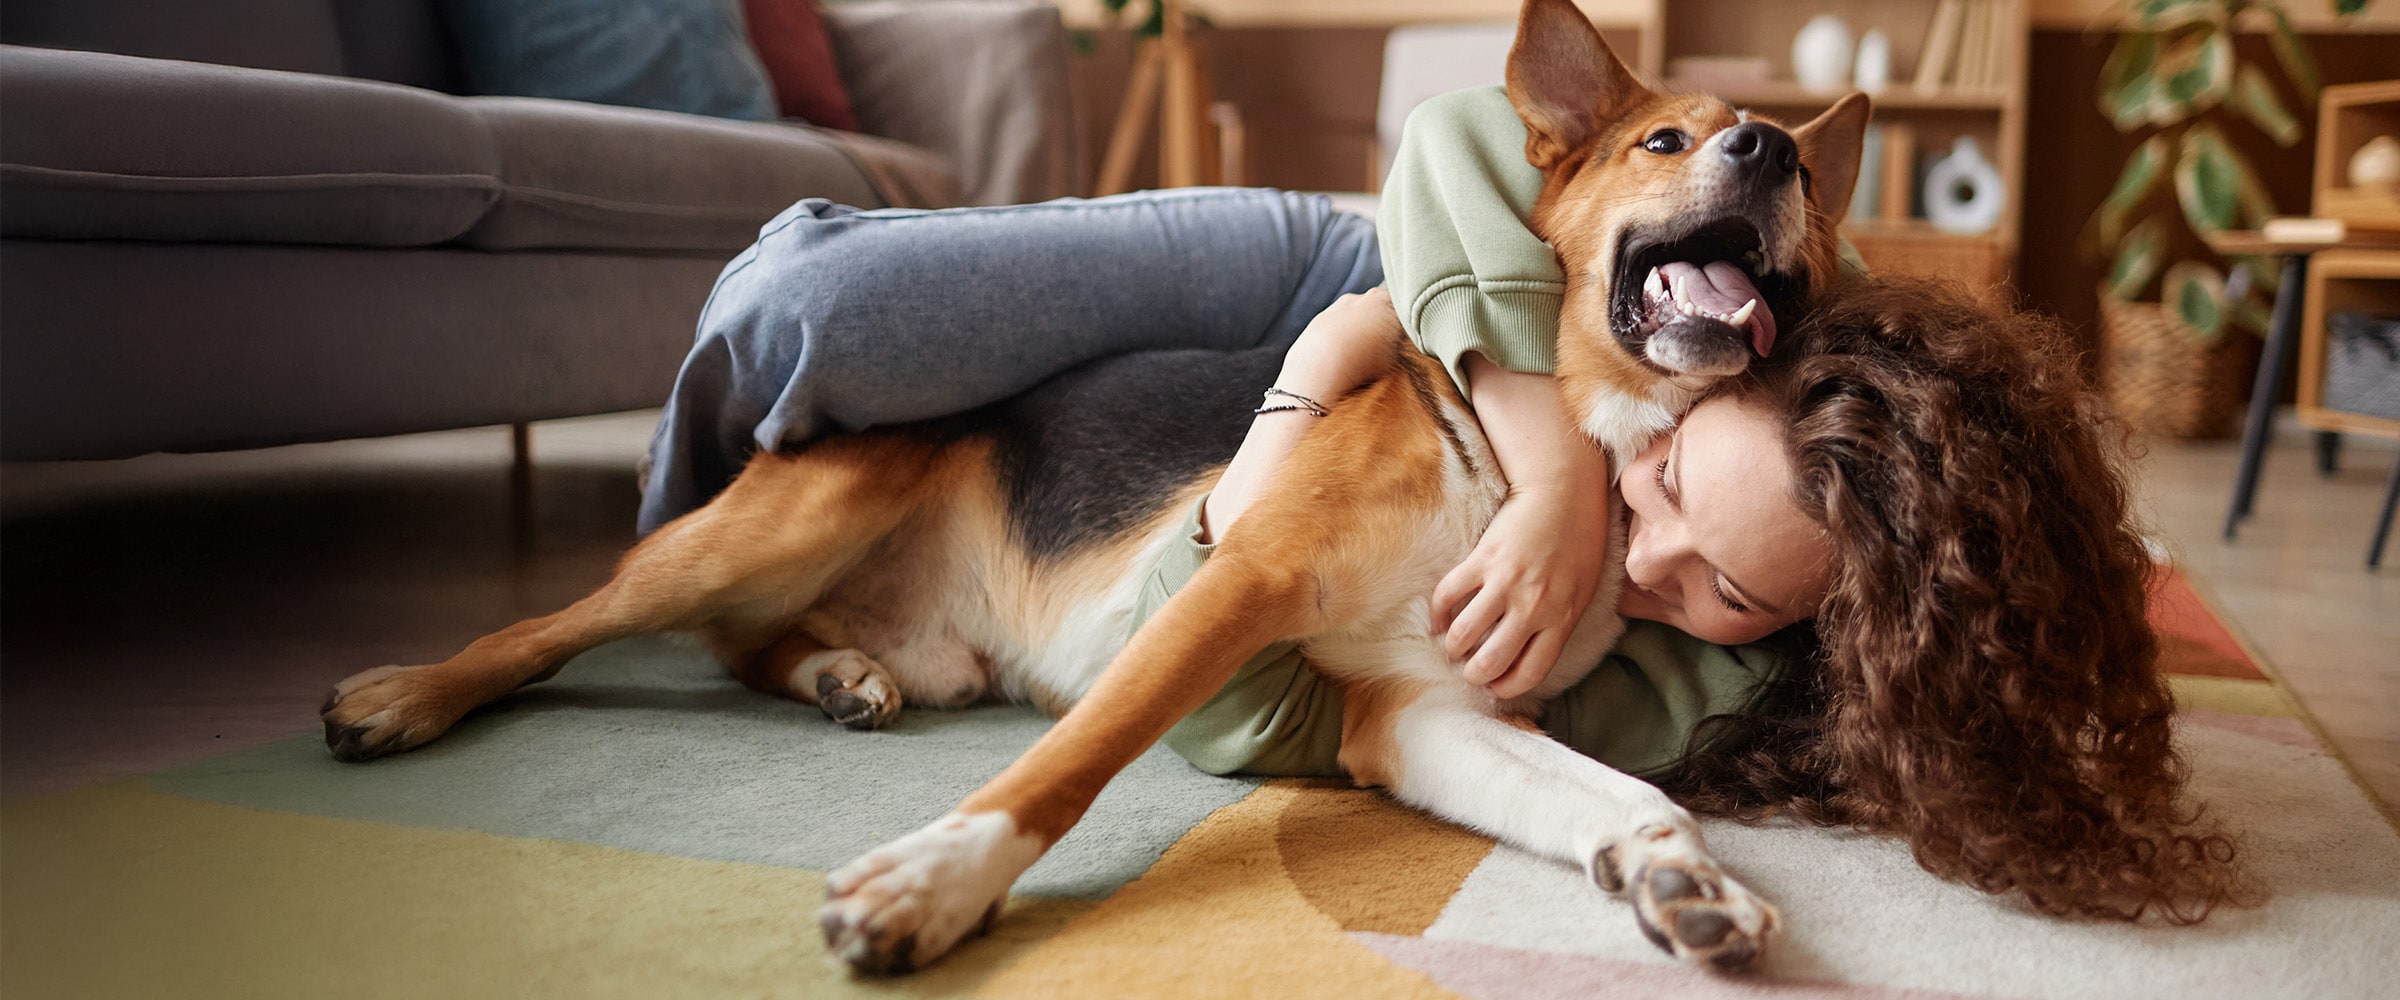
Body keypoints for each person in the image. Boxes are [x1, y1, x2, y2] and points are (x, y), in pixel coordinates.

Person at [637, 90, 2245, 922]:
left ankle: (775, 615)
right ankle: (707, 549)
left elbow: (1373, 720)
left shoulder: (1815, 564)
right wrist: (1550, 467)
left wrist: (1628, 814)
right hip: (1378, 254)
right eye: (1671, 486)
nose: (1653, 542)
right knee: (804, 321)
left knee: (846, 373)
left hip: (1349, 422)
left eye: (1732, 591)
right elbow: (1469, 140)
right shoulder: (1830, 308)